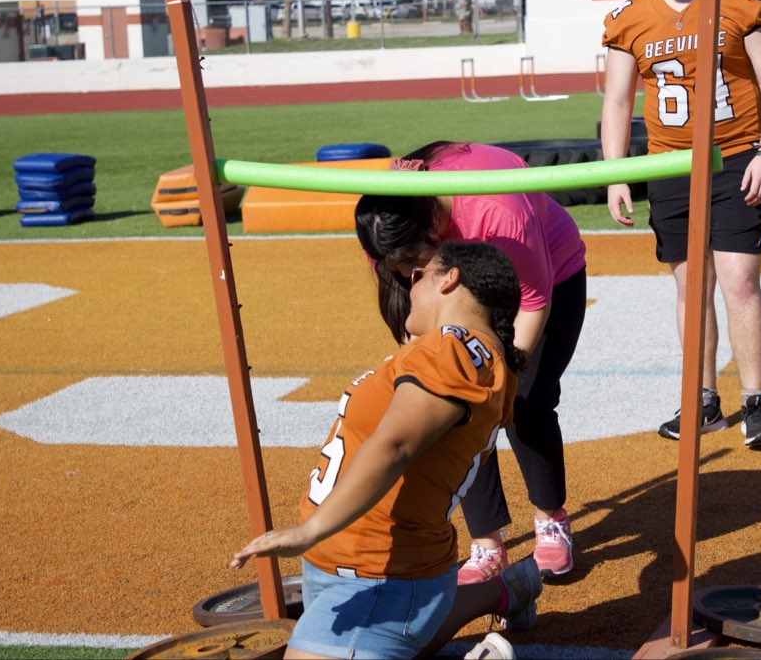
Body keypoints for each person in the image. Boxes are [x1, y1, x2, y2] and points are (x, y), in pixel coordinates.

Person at [230, 242, 542, 660]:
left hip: (380, 574)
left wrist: (310, 530)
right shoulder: (467, 352)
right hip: (371, 570)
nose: (406, 285)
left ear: (449, 279)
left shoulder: (454, 346)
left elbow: (397, 444)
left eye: (417, 275)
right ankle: (502, 592)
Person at [355, 141, 587, 582]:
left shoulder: (495, 211)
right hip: (460, 289)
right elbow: (405, 299)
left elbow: (534, 301)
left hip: (541, 277)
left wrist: (507, 373)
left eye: (411, 262)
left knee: (526, 404)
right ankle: (486, 542)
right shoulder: (382, 220)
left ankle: (550, 518)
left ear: (432, 231)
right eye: (397, 265)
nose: (405, 272)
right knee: (456, 406)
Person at [600, 0, 761, 448]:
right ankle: (704, 400)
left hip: (735, 158)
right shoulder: (630, 17)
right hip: (670, 166)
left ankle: (755, 402)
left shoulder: (740, 0)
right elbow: (618, 101)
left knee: (740, 280)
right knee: (690, 286)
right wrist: (616, 173)